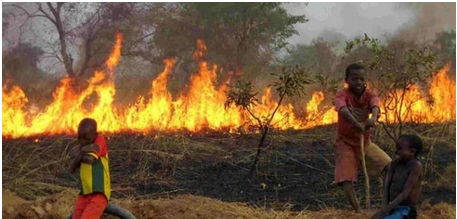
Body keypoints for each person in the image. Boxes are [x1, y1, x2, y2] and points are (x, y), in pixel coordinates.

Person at [334, 63, 392, 212]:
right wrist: (356, 123)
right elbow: (343, 110)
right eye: (354, 79)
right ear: (346, 80)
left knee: (390, 166)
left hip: (365, 143)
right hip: (345, 142)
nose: (358, 82)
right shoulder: (342, 95)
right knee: (346, 179)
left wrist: (373, 117)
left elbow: (375, 105)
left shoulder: (370, 94)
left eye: (361, 79)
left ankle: (387, 204)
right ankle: (358, 211)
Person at [371, 134, 423, 219]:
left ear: (412, 151)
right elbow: (387, 187)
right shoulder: (394, 164)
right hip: (393, 207)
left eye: (399, 148)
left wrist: (386, 210)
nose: (396, 151)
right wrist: (384, 209)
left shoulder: (415, 167)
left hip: (406, 209)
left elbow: (406, 192)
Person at [68, 118, 111, 219]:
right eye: (79, 138)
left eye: (86, 138)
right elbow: (71, 169)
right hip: (84, 194)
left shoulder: (99, 140)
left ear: (95, 134)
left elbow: (90, 159)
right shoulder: (83, 147)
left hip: (98, 193)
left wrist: (79, 154)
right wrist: (82, 152)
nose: (82, 142)